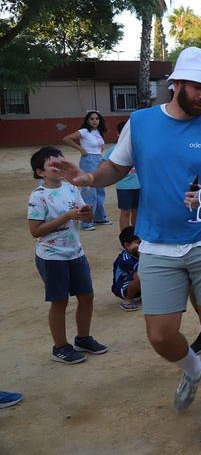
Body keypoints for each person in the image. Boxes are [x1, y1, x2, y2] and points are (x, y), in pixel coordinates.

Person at [48, 47, 201, 447]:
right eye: (197, 87)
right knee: (160, 334)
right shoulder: (140, 123)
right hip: (156, 242)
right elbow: (115, 168)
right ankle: (193, 369)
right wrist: (86, 178)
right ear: (175, 83)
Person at [28, 146, 106, 365]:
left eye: (62, 162)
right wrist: (67, 216)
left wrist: (87, 214)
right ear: (40, 173)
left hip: (76, 253)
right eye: (53, 164)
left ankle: (83, 338)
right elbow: (35, 231)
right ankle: (60, 347)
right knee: (60, 301)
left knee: (87, 296)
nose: (60, 167)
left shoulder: (72, 188)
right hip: (52, 257)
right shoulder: (38, 196)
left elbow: (85, 219)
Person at [62, 110, 112, 230]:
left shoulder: (98, 132)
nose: (94, 121)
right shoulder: (84, 131)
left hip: (98, 160)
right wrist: (80, 148)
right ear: (87, 120)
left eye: (96, 119)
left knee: (100, 188)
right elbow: (66, 138)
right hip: (88, 160)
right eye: (92, 119)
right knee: (90, 190)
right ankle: (86, 222)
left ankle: (100, 217)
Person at [102, 120, 141, 229]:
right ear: (119, 134)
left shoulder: (139, 147)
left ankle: (136, 236)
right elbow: (104, 164)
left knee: (137, 210)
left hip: (139, 184)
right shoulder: (115, 149)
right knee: (125, 210)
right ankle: (126, 238)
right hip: (124, 186)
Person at [112, 226, 141, 312]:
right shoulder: (124, 259)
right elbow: (143, 267)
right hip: (122, 287)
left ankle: (146, 296)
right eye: (138, 243)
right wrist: (140, 252)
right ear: (127, 245)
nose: (142, 245)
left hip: (137, 285)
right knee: (141, 274)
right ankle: (127, 300)